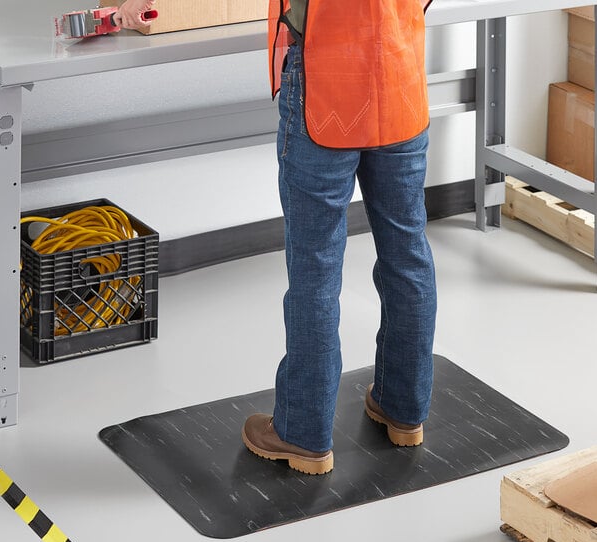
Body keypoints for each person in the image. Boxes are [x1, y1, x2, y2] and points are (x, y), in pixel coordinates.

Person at [117, 0, 436, 477]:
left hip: (326, 87)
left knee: (316, 269)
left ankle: (302, 433)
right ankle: (404, 409)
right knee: (408, 254)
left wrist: (149, 5)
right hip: (399, 74)